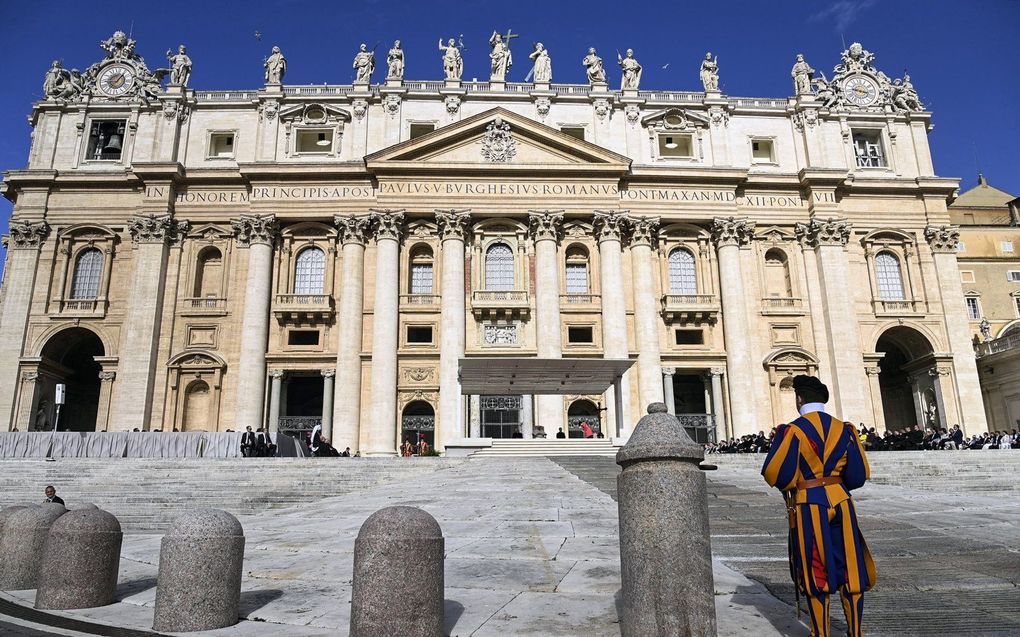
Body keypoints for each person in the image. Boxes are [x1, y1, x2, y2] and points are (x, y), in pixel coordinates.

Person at [761, 375, 875, 637]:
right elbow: (858, 476)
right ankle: (855, 632)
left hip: (809, 502)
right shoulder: (846, 430)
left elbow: (775, 474)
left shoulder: (791, 431)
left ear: (799, 398)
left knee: (815, 566)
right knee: (851, 565)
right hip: (841, 500)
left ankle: (820, 633)